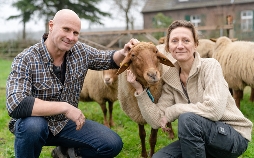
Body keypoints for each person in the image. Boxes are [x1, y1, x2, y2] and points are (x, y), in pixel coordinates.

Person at [6, 9, 139, 158]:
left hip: (65, 124)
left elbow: (107, 58)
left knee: (111, 144)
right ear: (51, 26)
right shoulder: (26, 59)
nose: (71, 37)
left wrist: (124, 52)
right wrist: (64, 107)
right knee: (33, 126)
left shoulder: (80, 52)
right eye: (66, 29)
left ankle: (65, 153)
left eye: (75, 33)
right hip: (34, 125)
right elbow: (16, 104)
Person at [126, 20, 252, 158]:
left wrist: (174, 110)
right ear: (168, 47)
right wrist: (140, 91)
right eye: (174, 41)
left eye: (186, 40)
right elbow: (156, 120)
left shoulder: (210, 66)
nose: (180, 46)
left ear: (196, 45)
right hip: (200, 138)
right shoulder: (171, 78)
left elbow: (214, 110)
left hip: (232, 135)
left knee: (187, 119)